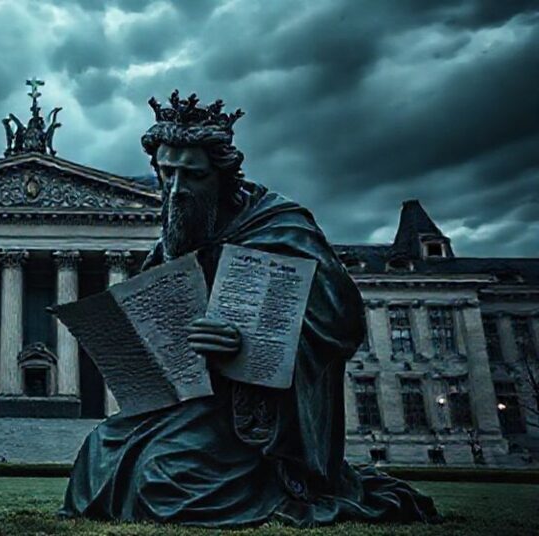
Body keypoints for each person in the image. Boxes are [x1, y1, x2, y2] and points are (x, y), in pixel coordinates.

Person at [59, 91, 439, 527]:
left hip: (257, 419)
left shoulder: (282, 227)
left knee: (161, 478)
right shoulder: (179, 234)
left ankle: (268, 484)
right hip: (194, 403)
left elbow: (340, 326)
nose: (177, 191)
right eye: (167, 174)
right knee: (98, 449)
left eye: (192, 175)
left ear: (221, 176)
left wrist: (244, 347)